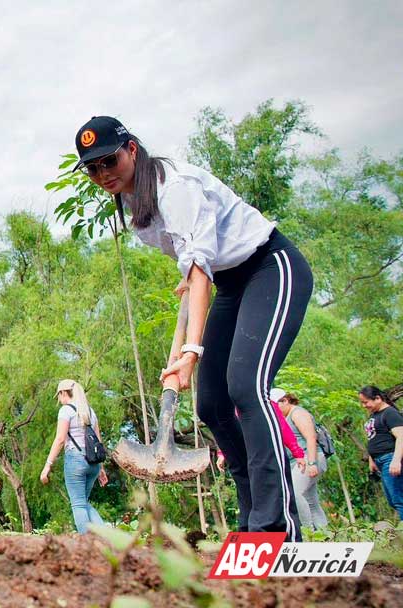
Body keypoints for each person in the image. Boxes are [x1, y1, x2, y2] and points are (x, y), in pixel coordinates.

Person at [73, 116, 313, 541]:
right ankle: (251, 518)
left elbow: (200, 266)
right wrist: (189, 279)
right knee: (213, 405)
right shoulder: (135, 202)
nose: (102, 173)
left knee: (246, 387)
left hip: (270, 268)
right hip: (231, 284)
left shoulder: (174, 187)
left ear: (131, 149)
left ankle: (277, 529)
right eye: (92, 168)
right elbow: (193, 265)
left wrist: (190, 353)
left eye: (108, 160)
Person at [39, 379, 108, 534]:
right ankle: (108, 538)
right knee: (83, 502)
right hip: (93, 464)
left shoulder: (66, 411)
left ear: (64, 393)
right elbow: (98, 441)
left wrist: (47, 465)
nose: (59, 399)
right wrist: (101, 469)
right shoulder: (90, 412)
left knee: (78, 504)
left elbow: (60, 439)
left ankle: (87, 544)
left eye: (59, 395)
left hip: (76, 461)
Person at [274, 389, 328, 530]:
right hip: (298, 463)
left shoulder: (297, 413)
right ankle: (324, 534)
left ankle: (307, 530)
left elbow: (311, 438)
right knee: (311, 501)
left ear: (285, 401)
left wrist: (312, 463)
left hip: (309, 459)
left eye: (276, 404)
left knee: (294, 494)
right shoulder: (285, 418)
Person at [360, 385, 403, 520]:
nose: (364, 406)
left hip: (390, 458)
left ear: (377, 398)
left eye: (366, 402)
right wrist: (372, 460)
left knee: (398, 499)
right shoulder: (375, 415)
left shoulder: (390, 413)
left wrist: (396, 461)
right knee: (392, 499)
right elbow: (373, 437)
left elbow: (401, 436)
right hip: (380, 461)